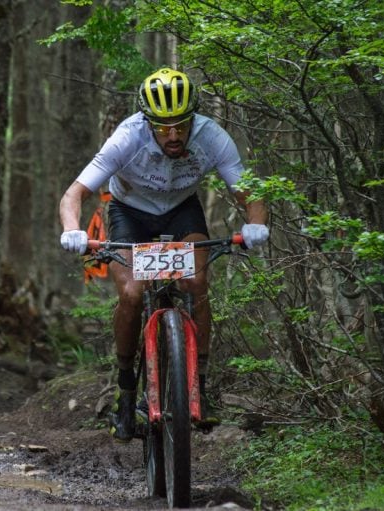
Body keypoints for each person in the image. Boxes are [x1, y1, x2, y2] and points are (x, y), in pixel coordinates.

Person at [58, 68, 269, 442]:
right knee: (132, 293)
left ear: (193, 119)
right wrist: (72, 229)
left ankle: (198, 388)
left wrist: (255, 224)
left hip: (181, 208)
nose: (173, 135)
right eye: (162, 127)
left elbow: (249, 192)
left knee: (196, 283)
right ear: (147, 121)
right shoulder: (127, 137)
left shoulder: (212, 137)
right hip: (130, 214)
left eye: (181, 125)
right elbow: (74, 194)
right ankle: (126, 394)